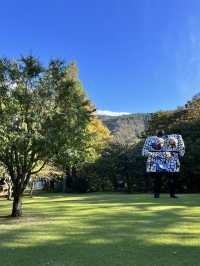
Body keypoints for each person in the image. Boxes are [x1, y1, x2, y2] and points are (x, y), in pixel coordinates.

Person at [142, 130, 185, 198]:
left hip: (170, 160)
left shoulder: (176, 138)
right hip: (158, 160)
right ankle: (158, 194)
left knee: (170, 178)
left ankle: (170, 194)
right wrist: (154, 154)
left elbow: (181, 151)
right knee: (158, 179)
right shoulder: (151, 140)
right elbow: (144, 152)